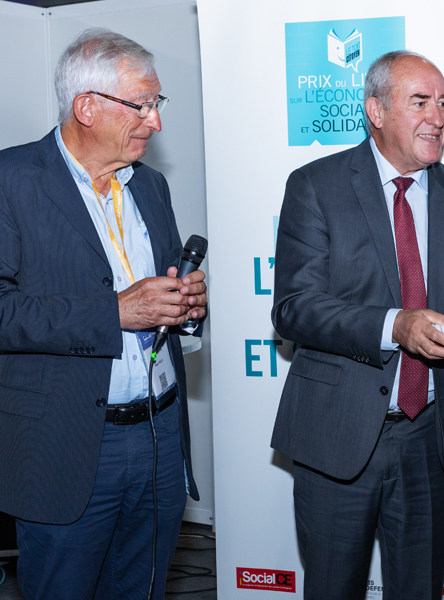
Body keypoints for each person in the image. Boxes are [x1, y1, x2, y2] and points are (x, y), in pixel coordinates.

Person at [270, 50, 444, 600]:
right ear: (375, 110)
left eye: (443, 103)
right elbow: (294, 307)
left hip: (431, 436)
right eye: (420, 102)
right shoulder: (315, 186)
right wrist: (393, 325)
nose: (438, 117)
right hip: (337, 435)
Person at [0, 28, 207, 600]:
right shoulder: (11, 182)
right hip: (69, 445)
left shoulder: (151, 188)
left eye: (156, 104)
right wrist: (114, 311)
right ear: (86, 107)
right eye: (142, 105)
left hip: (160, 430)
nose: (155, 122)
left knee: (142, 588)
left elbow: (158, 301)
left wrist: (185, 306)